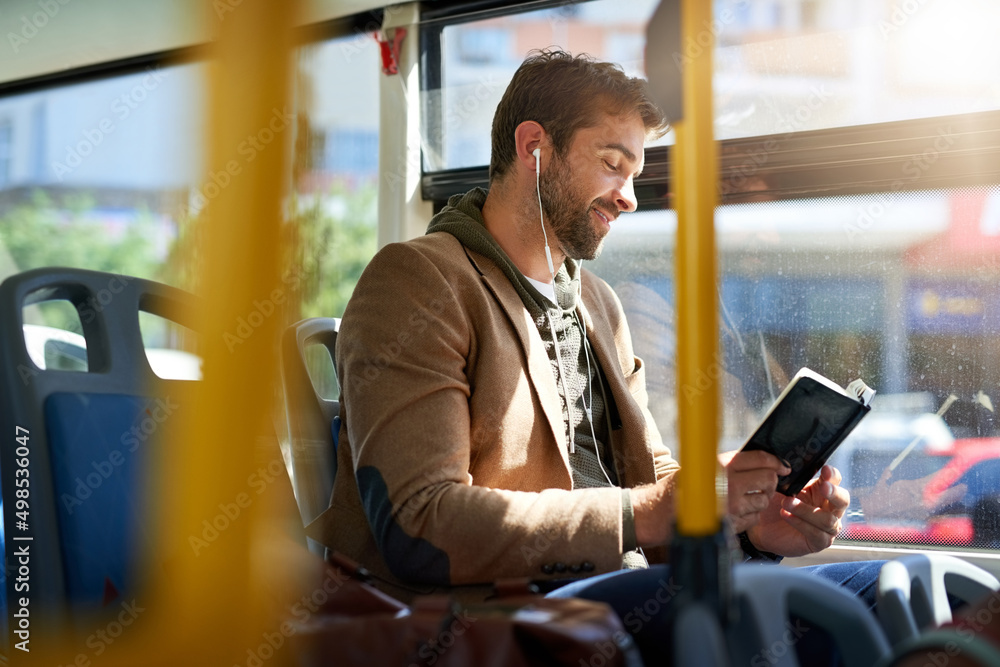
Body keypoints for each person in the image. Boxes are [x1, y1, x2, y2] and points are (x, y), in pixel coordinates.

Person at [312, 48, 880, 648]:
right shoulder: (420, 281)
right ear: (535, 148)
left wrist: (749, 531)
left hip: (624, 592)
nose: (629, 197)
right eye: (613, 164)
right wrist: (649, 512)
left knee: (894, 587)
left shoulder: (598, 305)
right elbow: (420, 525)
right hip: (511, 614)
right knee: (842, 621)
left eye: (634, 175)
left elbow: (652, 482)